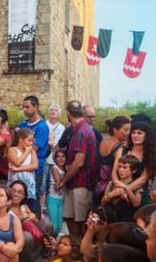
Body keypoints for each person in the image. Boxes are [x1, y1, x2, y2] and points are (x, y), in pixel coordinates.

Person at [56, 101, 97, 238]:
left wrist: (62, 180)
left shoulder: (81, 132)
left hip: (81, 183)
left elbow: (79, 162)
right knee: (69, 217)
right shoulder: (78, 130)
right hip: (74, 183)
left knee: (80, 223)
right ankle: (75, 249)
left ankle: (81, 254)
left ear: (68, 114)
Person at [17, 95, 50, 214]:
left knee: (32, 198)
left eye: (28, 107)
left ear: (36, 107)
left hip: (35, 169)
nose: (25, 109)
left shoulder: (42, 127)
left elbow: (33, 148)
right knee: (20, 198)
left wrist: (20, 151)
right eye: (23, 107)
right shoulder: (21, 125)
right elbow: (14, 143)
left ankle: (36, 226)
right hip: (20, 167)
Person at [113, 121, 156, 207]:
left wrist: (122, 191)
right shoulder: (122, 150)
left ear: (147, 136)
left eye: (139, 133)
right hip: (117, 194)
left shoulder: (150, 156)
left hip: (140, 199)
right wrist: (115, 192)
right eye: (133, 132)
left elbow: (142, 179)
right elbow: (114, 173)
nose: (135, 135)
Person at [95, 116, 130, 202]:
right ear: (115, 130)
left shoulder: (103, 142)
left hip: (97, 187)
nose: (128, 133)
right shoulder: (120, 147)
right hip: (111, 190)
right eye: (125, 130)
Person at [101, 154, 143, 221]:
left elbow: (136, 204)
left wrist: (127, 188)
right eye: (119, 167)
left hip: (127, 219)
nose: (120, 170)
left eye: (124, 167)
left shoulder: (135, 184)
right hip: (112, 218)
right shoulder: (112, 183)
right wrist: (112, 194)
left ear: (134, 170)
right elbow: (102, 203)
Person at [7, 128, 38, 207]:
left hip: (29, 186)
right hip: (15, 186)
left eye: (32, 141)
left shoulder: (32, 151)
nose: (31, 143)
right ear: (21, 140)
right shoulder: (12, 150)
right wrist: (27, 152)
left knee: (30, 207)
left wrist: (18, 169)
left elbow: (35, 166)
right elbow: (17, 163)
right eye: (29, 140)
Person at [47, 148, 67, 234]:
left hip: (61, 200)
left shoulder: (66, 169)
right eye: (58, 156)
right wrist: (68, 174)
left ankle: (54, 244)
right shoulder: (54, 168)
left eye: (63, 156)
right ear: (55, 158)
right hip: (52, 199)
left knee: (59, 227)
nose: (61, 159)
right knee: (54, 226)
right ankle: (49, 245)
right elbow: (58, 185)